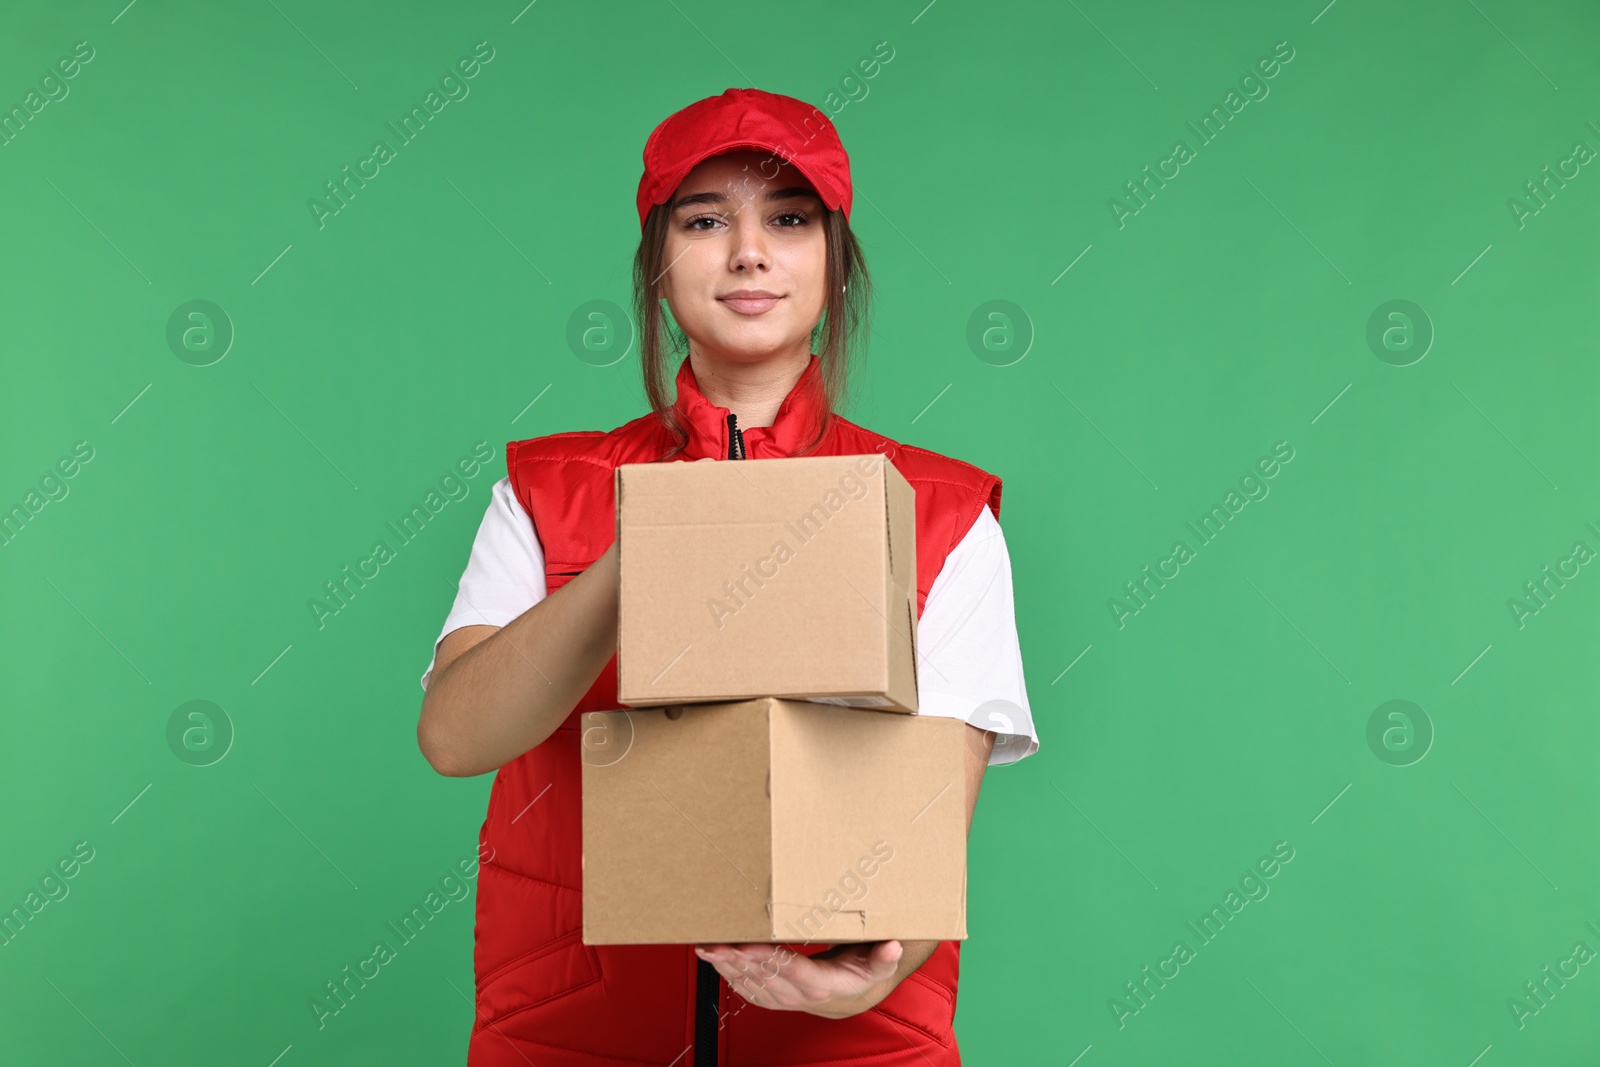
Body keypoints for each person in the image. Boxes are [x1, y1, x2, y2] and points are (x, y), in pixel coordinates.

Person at [416, 87, 1039, 1067]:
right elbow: (457, 736)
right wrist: (647, 552)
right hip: (570, 1034)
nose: (749, 250)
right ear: (658, 266)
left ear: (835, 264)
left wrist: (871, 971)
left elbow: (927, 830)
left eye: (789, 220)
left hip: (847, 1042)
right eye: (705, 220)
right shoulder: (546, 491)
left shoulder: (942, 510)